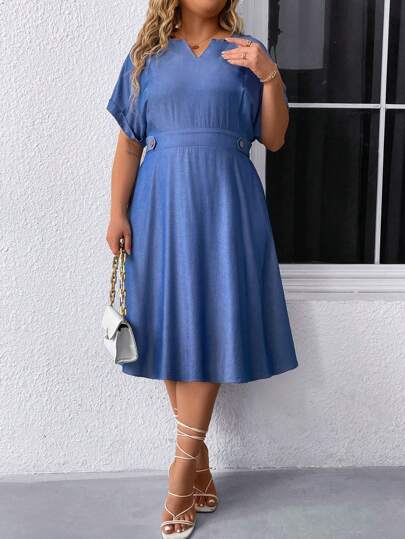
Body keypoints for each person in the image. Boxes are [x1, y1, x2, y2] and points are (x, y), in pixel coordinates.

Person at [105, 0, 299, 536]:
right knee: (172, 325)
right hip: (159, 205)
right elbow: (128, 145)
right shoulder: (146, 56)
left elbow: (275, 138)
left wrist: (270, 75)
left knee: (210, 322)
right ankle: (201, 465)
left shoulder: (248, 52)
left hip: (226, 206)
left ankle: (181, 470)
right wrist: (117, 212)